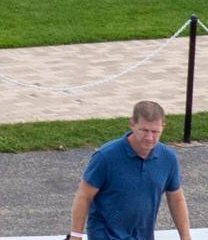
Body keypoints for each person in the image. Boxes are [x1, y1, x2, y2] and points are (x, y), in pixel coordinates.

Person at [68, 100, 190, 240]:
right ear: (132, 124)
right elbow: (84, 195)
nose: (150, 137)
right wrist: (76, 235)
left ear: (163, 127)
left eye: (155, 131)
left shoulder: (168, 159)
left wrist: (185, 236)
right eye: (144, 130)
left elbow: (176, 198)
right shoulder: (106, 157)